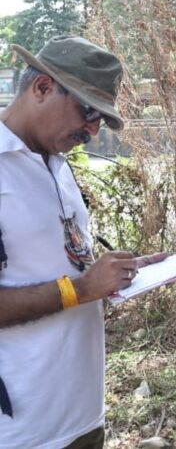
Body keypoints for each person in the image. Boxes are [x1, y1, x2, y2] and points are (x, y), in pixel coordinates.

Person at [0, 36, 165, 449]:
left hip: (82, 413)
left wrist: (111, 279)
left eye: (101, 120)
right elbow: (74, 287)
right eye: (88, 111)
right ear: (42, 88)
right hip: (23, 431)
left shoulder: (56, 164)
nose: (92, 130)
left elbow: (64, 264)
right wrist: (83, 288)